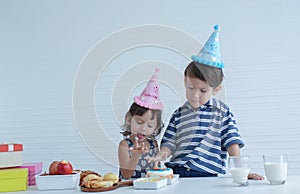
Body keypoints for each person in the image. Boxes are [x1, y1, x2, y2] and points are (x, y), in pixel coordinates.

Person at [148, 25, 263, 180]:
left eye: (203, 91)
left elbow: (231, 142)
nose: (195, 95)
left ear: (216, 89)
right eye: (190, 87)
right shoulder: (179, 114)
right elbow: (169, 143)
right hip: (178, 173)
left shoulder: (222, 112)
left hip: (207, 175)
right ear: (184, 82)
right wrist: (162, 154)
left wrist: (241, 170)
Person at [118, 68, 164, 179]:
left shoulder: (153, 144)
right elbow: (126, 175)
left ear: (156, 127)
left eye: (150, 125)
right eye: (139, 122)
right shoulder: (125, 145)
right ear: (129, 120)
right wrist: (136, 156)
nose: (143, 128)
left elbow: (156, 170)